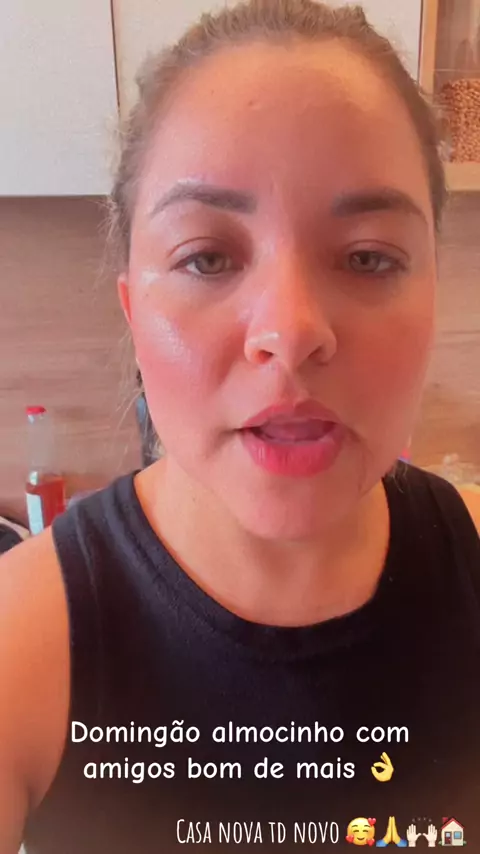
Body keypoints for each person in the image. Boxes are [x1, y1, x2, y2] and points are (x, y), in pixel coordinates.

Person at [1, 1, 479, 851]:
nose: (291, 331)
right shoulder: (21, 647)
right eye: (208, 257)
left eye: (368, 256)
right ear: (132, 312)